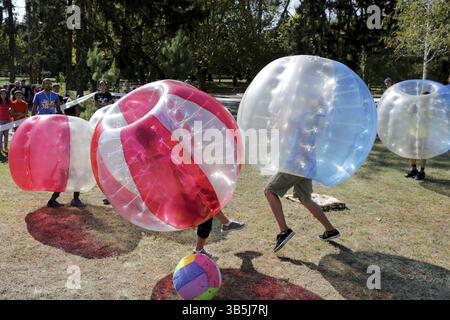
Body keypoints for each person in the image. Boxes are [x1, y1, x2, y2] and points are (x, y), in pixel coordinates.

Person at [32, 79, 86, 208]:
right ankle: (65, 199)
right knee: (68, 177)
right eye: (78, 110)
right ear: (74, 112)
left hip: (68, 157)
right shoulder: (68, 125)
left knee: (71, 176)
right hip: (66, 157)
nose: (79, 111)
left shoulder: (67, 123)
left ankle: (68, 199)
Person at [264, 172, 340, 252]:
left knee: (269, 191)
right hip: (307, 166)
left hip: (295, 165)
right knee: (304, 198)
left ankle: (284, 231)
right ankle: (330, 230)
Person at [0, 89, 12, 153]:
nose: (3, 95)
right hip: (0, 120)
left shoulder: (9, 101)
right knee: (0, 135)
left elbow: (12, 109)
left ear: (6, 94)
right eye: (2, 94)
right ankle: (0, 148)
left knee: (6, 135)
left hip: (7, 120)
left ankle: (5, 147)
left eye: (4, 94)